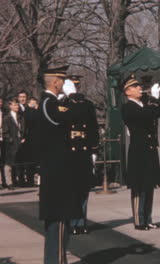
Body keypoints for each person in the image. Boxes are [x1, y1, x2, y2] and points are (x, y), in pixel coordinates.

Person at [38, 65, 84, 264]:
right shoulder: (49, 103)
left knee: (62, 219)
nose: (66, 84)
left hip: (60, 169)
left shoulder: (54, 102)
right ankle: (55, 261)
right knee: (58, 219)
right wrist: (73, 98)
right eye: (63, 80)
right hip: (56, 171)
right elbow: (68, 116)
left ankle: (57, 260)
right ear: (56, 82)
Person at [121, 75, 160, 230]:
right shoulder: (128, 107)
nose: (140, 88)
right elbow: (145, 116)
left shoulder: (144, 104)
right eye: (136, 87)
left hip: (150, 149)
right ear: (128, 91)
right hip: (138, 151)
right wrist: (153, 99)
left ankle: (148, 218)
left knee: (149, 185)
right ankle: (138, 220)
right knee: (138, 186)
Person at [63, 76, 100, 235]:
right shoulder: (62, 104)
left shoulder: (87, 104)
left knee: (83, 188)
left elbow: (93, 127)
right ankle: (72, 222)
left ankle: (81, 222)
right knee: (71, 189)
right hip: (69, 150)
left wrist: (94, 150)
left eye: (77, 86)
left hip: (84, 149)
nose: (76, 89)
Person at [2, 98, 24, 190]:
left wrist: (23, 137)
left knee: (19, 162)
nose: (17, 106)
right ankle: (9, 183)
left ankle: (19, 181)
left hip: (20, 142)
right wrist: (10, 140)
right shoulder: (7, 118)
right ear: (10, 106)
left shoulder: (20, 117)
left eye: (17, 104)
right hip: (11, 144)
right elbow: (5, 132)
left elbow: (23, 128)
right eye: (15, 105)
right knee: (9, 163)